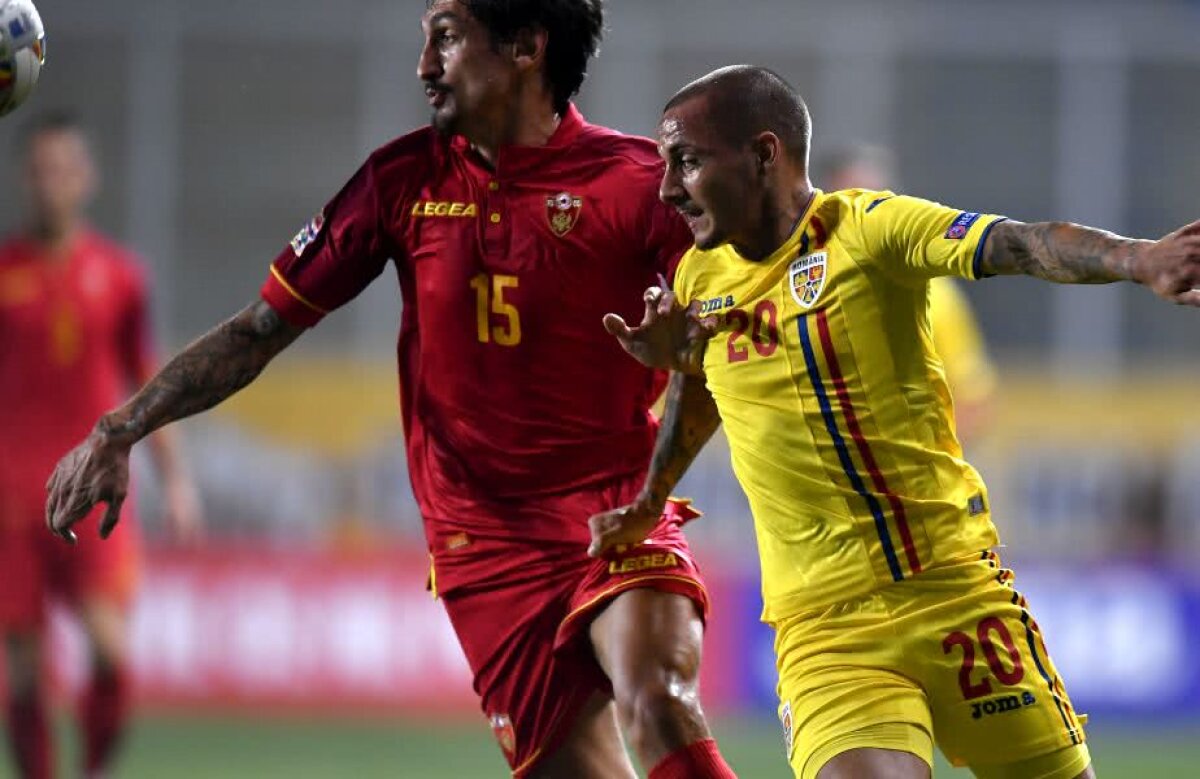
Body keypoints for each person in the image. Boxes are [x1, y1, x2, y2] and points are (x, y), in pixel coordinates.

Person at [43, 3, 736, 778]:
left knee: (660, 695)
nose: (424, 66)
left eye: (445, 37)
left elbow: (733, 337)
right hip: (485, 552)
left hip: (617, 514)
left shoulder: (640, 185)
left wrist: (696, 362)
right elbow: (258, 330)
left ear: (525, 47)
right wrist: (119, 430)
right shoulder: (400, 183)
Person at [591, 64, 1200, 779]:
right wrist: (649, 501)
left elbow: (1021, 242)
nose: (668, 188)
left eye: (687, 162)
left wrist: (1141, 259)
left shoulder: (869, 229)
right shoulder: (698, 278)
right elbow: (702, 385)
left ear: (764, 154)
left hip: (955, 592)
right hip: (826, 628)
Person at [0, 113, 200, 779]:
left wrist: (175, 479)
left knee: (111, 654)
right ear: (26, 179)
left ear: (86, 178)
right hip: (11, 496)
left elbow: (149, 380)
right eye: (39, 170)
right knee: (24, 672)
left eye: (64, 168)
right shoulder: (4, 273)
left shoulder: (119, 276)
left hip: (93, 488)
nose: (51, 182)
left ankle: (91, 770)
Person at [816, 143, 997, 442]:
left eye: (875, 204)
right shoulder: (796, 283)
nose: (863, 218)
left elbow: (971, 398)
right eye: (849, 202)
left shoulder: (934, 295)